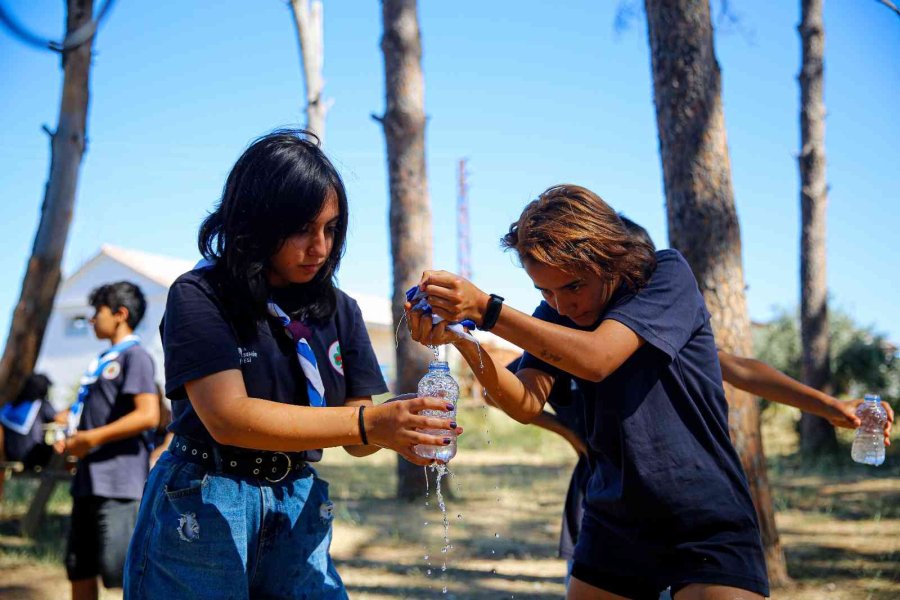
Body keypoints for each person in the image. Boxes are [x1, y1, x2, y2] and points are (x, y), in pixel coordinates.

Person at [123, 129, 461, 600]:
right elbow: (227, 418)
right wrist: (369, 423)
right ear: (255, 221)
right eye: (302, 228)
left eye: (331, 228)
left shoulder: (338, 308)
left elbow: (357, 437)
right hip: (205, 503)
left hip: (299, 500)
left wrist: (400, 424)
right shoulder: (201, 294)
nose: (320, 247)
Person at [408, 184, 772, 599]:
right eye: (545, 292)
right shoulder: (556, 315)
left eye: (574, 287)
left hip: (703, 514)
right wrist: (463, 338)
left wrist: (488, 311)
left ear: (607, 255)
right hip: (614, 519)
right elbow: (526, 402)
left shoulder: (663, 276)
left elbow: (598, 359)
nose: (561, 306)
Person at [56, 281, 160, 600]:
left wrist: (90, 439)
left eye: (97, 312)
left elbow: (148, 415)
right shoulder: (103, 360)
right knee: (80, 568)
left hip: (118, 485)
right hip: (88, 481)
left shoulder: (136, 357)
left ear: (120, 314)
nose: (90, 320)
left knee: (121, 573)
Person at [0, 373, 57, 500]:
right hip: (32, 457)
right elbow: (59, 418)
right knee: (59, 450)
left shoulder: (9, 407)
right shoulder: (40, 405)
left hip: (10, 456)